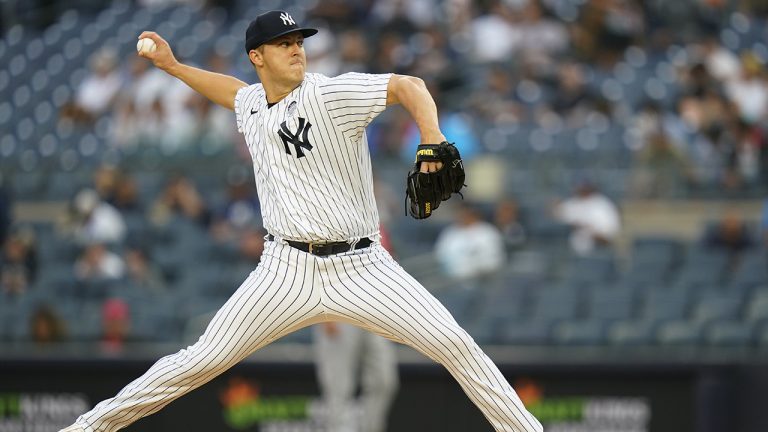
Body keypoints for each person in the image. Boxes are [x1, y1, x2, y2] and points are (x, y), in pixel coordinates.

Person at [61, 10, 542, 432]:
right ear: (257, 57)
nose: (297, 51)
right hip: (284, 269)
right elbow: (230, 92)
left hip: (361, 267)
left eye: (299, 43)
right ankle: (88, 427)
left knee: (455, 343)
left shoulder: (330, 95)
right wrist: (172, 67)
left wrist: (432, 137)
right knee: (200, 360)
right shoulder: (252, 103)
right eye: (284, 44)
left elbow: (408, 86)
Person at [313, 224, 399, 432]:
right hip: (337, 308)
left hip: (374, 311)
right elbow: (312, 263)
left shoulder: (372, 218)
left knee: (384, 380)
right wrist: (323, 313)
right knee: (339, 387)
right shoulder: (327, 217)